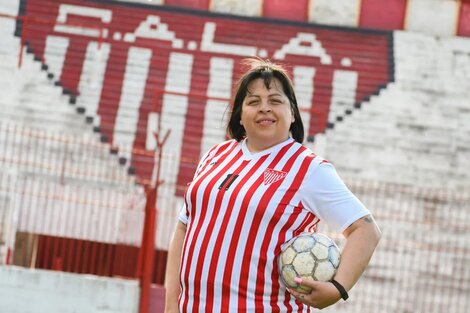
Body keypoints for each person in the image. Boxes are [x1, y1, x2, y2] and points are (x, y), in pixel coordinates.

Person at [164, 58, 381, 312]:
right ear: (240, 115)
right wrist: (171, 305)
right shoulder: (216, 155)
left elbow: (366, 230)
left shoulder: (309, 169)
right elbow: (183, 227)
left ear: (292, 114)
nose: (264, 108)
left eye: (275, 101)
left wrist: (338, 288)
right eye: (253, 102)